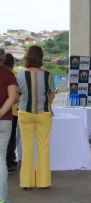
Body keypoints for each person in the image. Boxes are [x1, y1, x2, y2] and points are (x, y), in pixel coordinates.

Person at [17, 46, 55, 189]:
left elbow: (18, 94)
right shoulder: (49, 75)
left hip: (25, 114)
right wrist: (46, 104)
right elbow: (51, 95)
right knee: (43, 147)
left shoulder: (20, 75)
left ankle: (26, 183)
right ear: (40, 57)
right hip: (43, 114)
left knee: (27, 148)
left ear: (27, 57)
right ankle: (43, 182)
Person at [0, 49, 18, 203]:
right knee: (0, 161)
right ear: (3, 58)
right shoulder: (8, 74)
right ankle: (2, 201)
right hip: (4, 121)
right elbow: (13, 97)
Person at [4, 54, 18, 173]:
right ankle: (9, 162)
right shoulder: (12, 75)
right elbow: (15, 97)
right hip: (11, 112)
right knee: (11, 138)